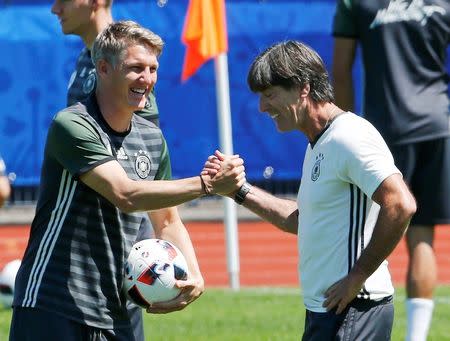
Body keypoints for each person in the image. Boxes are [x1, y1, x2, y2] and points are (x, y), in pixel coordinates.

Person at [9, 21, 245, 341]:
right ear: (103, 69)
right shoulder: (73, 125)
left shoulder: (152, 138)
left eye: (152, 69)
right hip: (52, 302)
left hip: (118, 307)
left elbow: (167, 220)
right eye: (135, 68)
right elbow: (126, 194)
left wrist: (195, 274)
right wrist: (207, 184)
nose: (147, 79)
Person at [203, 41, 416, 340]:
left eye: (269, 95)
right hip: (329, 311)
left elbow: (400, 204)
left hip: (356, 310)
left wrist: (358, 276)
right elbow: (303, 220)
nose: (262, 107)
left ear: (303, 88)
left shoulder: (349, 136)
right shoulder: (319, 142)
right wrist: (239, 190)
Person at [332, 1, 450, 340]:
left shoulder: (354, 3)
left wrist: (346, 131)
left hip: (381, 135)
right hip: (436, 128)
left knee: (356, 237)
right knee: (423, 239)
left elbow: (340, 70)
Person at [51, 1, 162, 339]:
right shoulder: (87, 60)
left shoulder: (127, 63)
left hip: (116, 243)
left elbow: (143, 152)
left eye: (64, 0)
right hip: (82, 247)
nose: (55, 8)